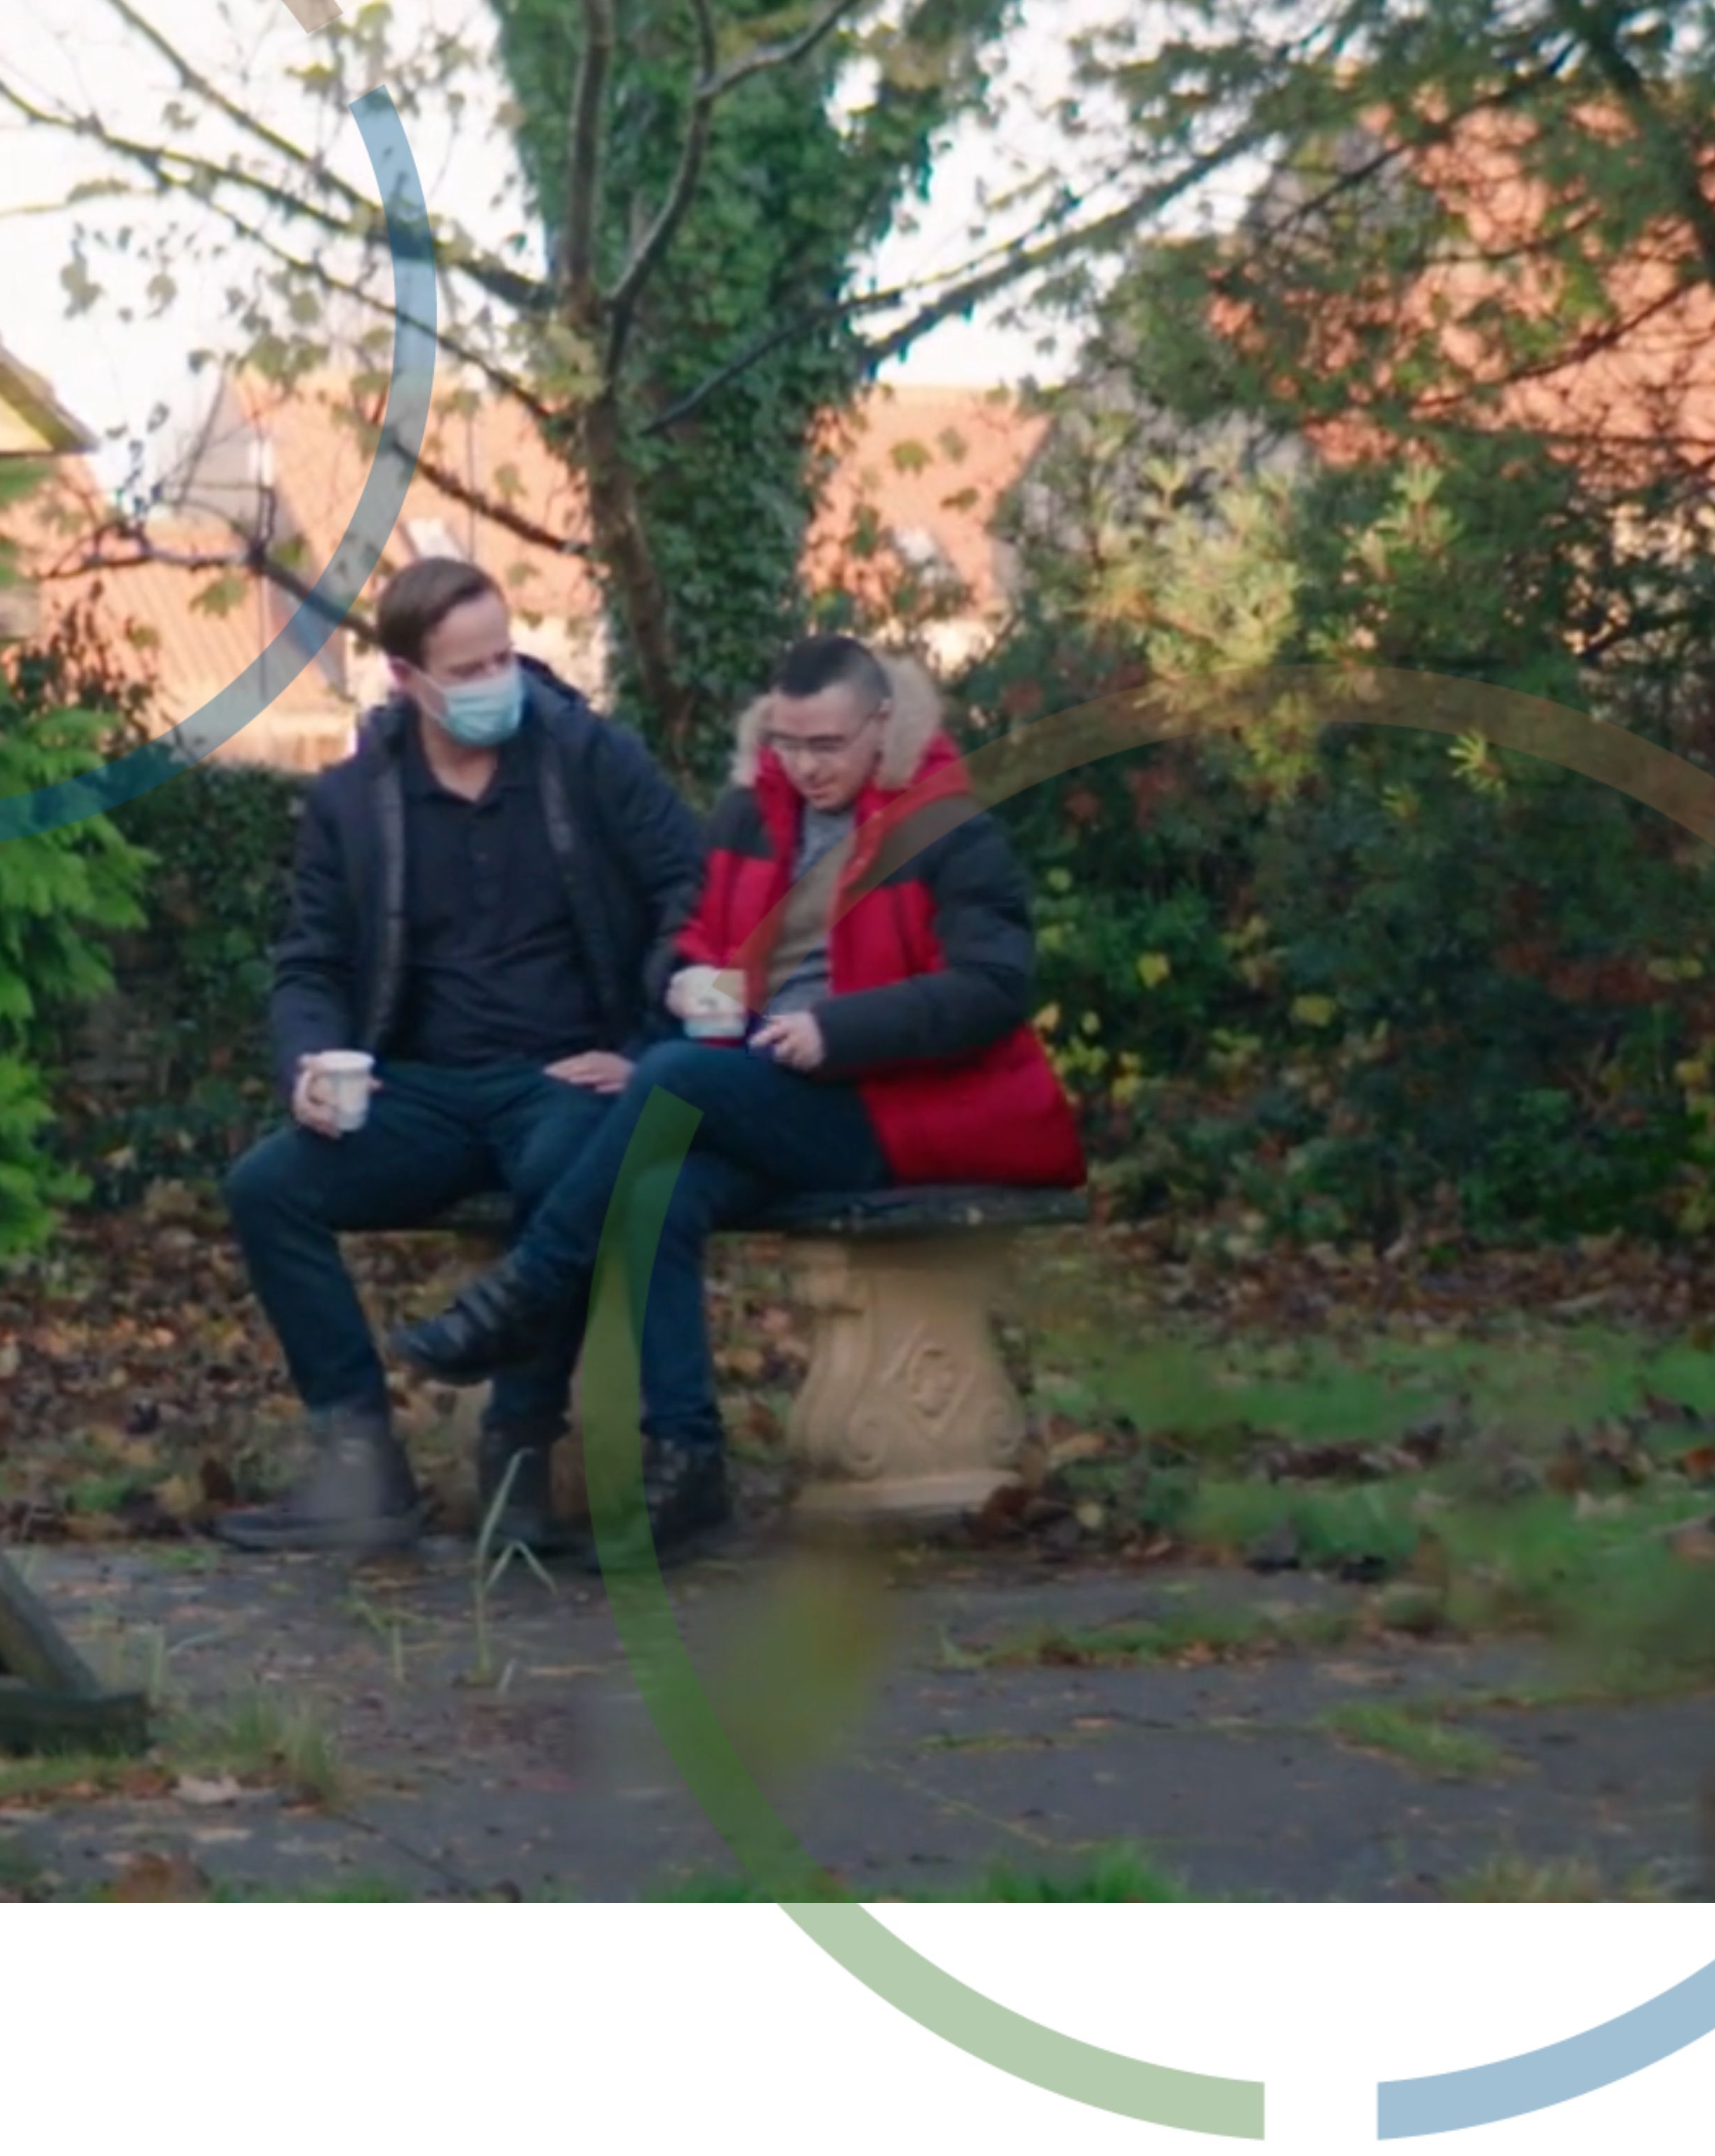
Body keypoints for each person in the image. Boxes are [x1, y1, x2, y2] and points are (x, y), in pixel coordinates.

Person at [387, 633, 1086, 1556]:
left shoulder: (949, 829)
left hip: (892, 1111)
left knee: (677, 1077)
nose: (805, 767)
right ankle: (689, 1469)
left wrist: (838, 1029)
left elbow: (992, 987)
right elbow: (690, 934)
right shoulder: (749, 819)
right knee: (652, 1192)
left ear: (884, 724)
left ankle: (527, 1288)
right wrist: (680, 980)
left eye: (828, 746)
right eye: (787, 744)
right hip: (761, 1089)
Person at [209, 556, 702, 1557]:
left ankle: (519, 1453)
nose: (495, 684)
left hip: (566, 1076)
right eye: (466, 670)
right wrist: (310, 1063)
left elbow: (692, 899)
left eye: (502, 657)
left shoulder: (591, 760)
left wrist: (644, 1051)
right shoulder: (352, 802)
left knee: (570, 1175)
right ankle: (360, 1463)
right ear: (408, 678)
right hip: (418, 1089)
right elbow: (311, 961)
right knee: (268, 1188)